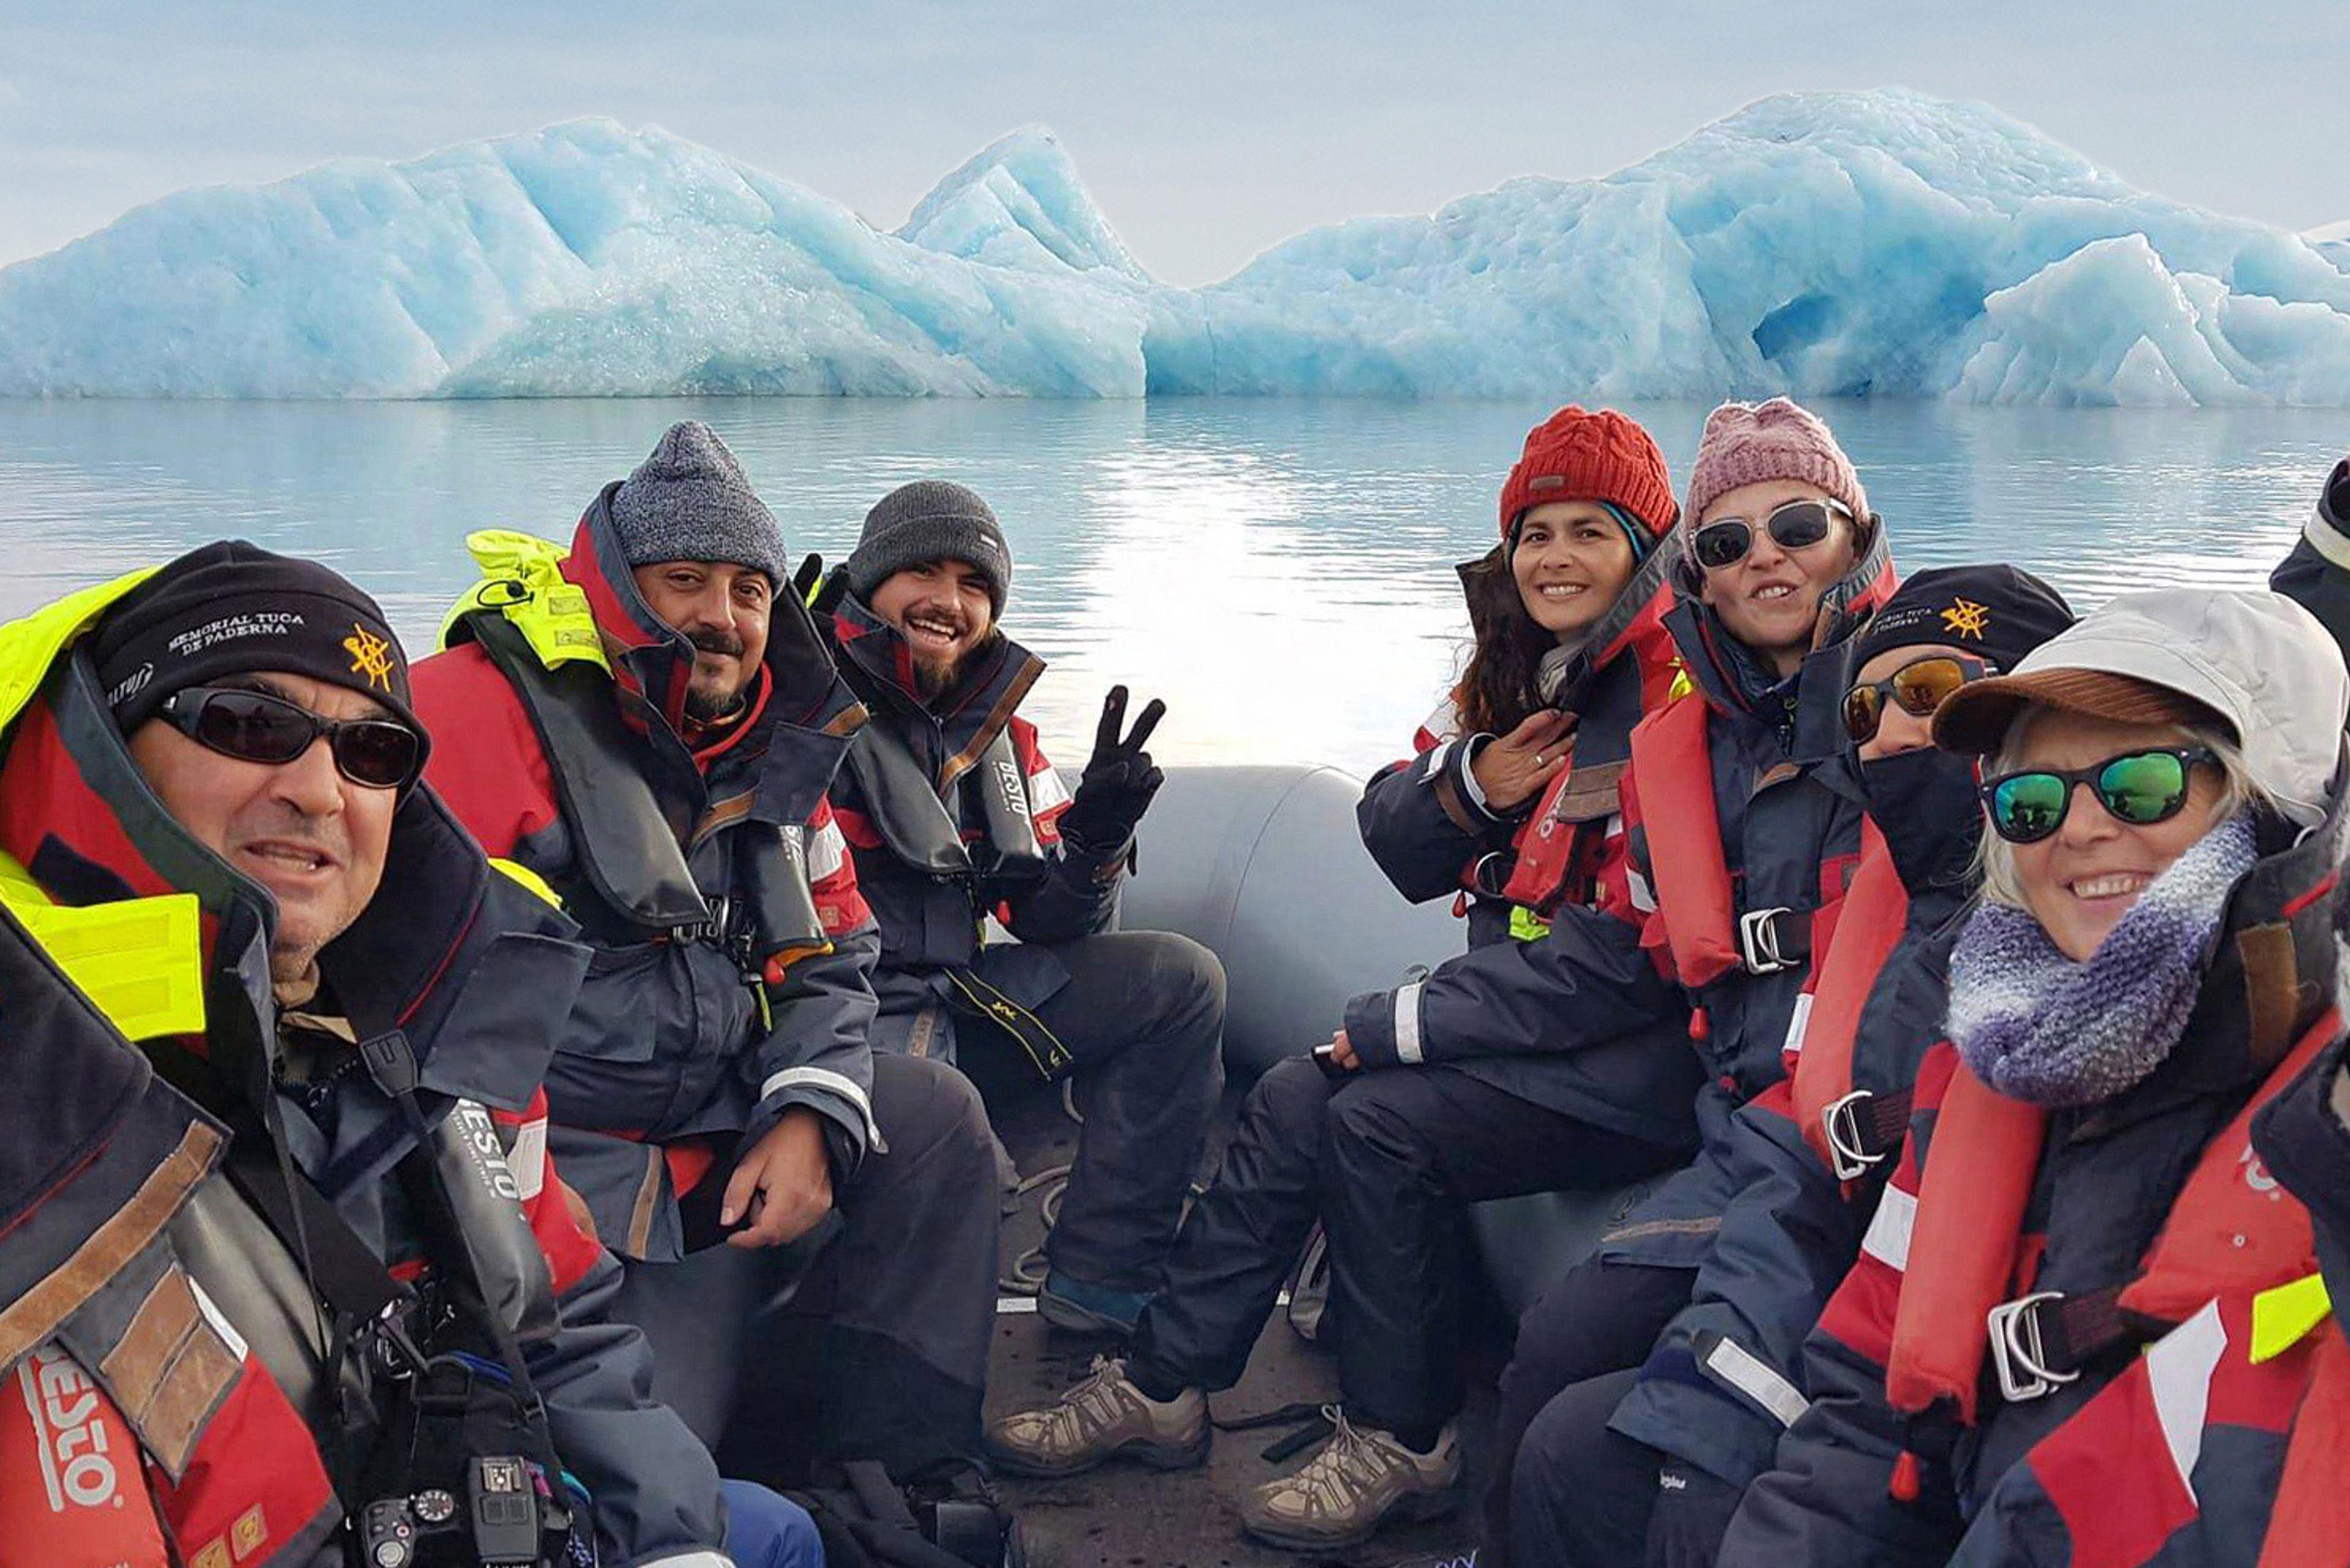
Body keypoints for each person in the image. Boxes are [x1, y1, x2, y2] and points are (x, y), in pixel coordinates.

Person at [0, 542, 817, 1566]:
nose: (318, 789)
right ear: (112, 751)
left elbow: (559, 1321)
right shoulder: (37, 1083)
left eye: (372, 751)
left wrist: (670, 1540)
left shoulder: (435, 1018)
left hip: (465, 1491)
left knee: (775, 1533)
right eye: (250, 724)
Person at [987, 405, 1706, 1553]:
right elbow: (1389, 820)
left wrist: (1398, 1021)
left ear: (1646, 545)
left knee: (1373, 1121)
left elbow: (1624, 962)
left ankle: (1407, 1438)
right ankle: (1166, 1382)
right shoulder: (1517, 666)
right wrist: (1475, 785)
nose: (1555, 558)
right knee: (1289, 1091)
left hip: (1635, 1055)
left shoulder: (1677, 699)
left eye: (1589, 530)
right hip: (1530, 1021)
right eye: (1535, 532)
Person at [411, 423, 1004, 1495]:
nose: (720, 617)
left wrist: (809, 1108)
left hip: (723, 1133)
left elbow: (835, 950)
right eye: (684, 579)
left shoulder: (777, 740)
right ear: (617, 588)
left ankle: (901, 1481)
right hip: (577, 1177)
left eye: (747, 588)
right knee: (650, 1471)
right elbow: (406, 1005)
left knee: (936, 1116)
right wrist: (515, 1192)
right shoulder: (474, 718)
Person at [1718, 588, 2350, 1567]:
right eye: (2032, 801)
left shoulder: (2328, 1136)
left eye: (2140, 783)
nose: (2080, 829)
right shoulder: (1984, 1060)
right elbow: (1857, 1402)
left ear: (2267, 808)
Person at [1506, 566, 2075, 1566]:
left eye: (1936, 693)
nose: (1896, 730)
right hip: (1853, 1302)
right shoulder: (1898, 916)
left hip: (1996, 1393)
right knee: (1570, 1437)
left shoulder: (2082, 924)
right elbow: (1810, 1159)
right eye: (1867, 704)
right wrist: (1722, 1404)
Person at [1471, 396, 1898, 1564]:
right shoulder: (1690, 744)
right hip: (1746, 1132)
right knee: (1559, 1349)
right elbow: (1641, 953)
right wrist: (1415, 1018)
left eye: (1797, 521)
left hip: (1863, 1149)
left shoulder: (1917, 713)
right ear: (1695, 575)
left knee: (1645, 1451)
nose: (1764, 554)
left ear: (1855, 533)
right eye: (1725, 540)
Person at [808, 479, 1225, 1338]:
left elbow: (1049, 920)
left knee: (1183, 981)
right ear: (872, 579)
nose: (948, 602)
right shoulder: (799, 702)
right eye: (922, 570)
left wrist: (1097, 843)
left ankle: (1102, 1284)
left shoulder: (999, 725)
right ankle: (881, 1400)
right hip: (836, 1019)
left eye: (974, 585)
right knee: (963, 1165)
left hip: (957, 996)